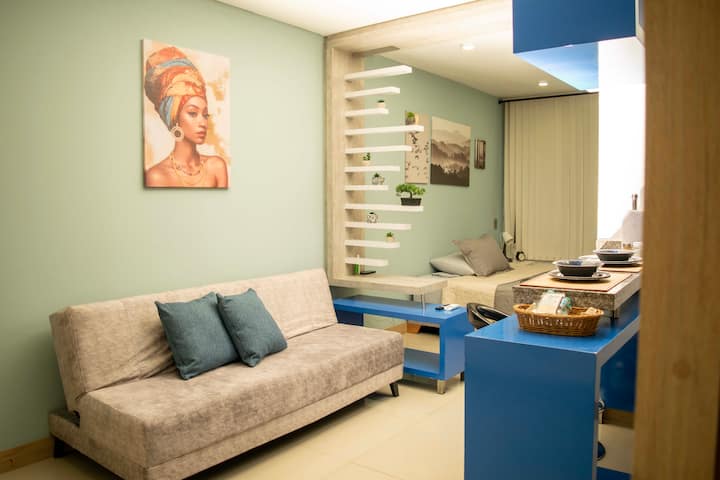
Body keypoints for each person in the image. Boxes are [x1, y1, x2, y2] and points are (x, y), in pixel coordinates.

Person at [143, 46, 228, 188]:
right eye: (193, 113)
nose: (203, 122)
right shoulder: (156, 176)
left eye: (205, 115)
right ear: (174, 117)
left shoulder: (216, 166)